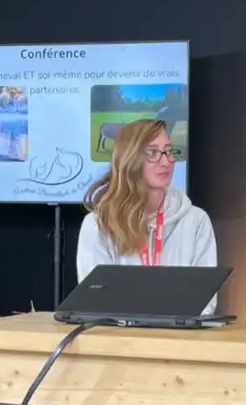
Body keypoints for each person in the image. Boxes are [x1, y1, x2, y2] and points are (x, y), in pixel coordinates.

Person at [77, 118, 218, 315]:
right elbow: (95, 300)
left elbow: (205, 302)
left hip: (179, 341)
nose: (165, 161)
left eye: (169, 151)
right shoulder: (97, 224)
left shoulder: (196, 221)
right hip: (119, 340)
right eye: (153, 153)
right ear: (130, 159)